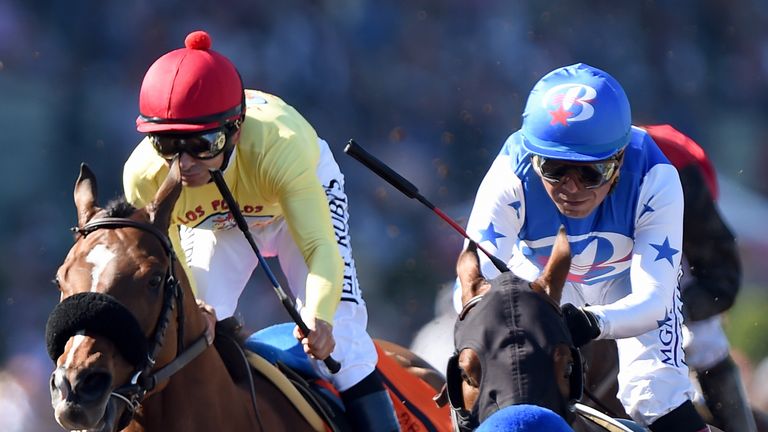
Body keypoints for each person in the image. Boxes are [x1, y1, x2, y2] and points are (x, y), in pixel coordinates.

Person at [123, 30, 399, 432]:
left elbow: (321, 248)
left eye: (202, 143)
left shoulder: (278, 147)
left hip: (292, 212)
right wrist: (197, 310)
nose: (184, 165)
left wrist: (320, 319)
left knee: (342, 342)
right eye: (167, 145)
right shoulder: (143, 177)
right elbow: (171, 274)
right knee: (191, 328)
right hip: (218, 226)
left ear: (235, 130)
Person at [456, 63, 708, 431]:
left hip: (627, 283)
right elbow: (469, 290)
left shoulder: (657, 177)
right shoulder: (510, 172)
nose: (571, 188)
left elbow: (654, 300)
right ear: (533, 157)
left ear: (619, 161)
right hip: (541, 281)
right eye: (555, 169)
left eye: (591, 173)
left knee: (653, 394)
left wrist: (595, 321)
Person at [641, 124, 757, 432]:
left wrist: (676, 312)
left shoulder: (674, 163)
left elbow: (721, 278)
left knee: (705, 341)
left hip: (670, 292)